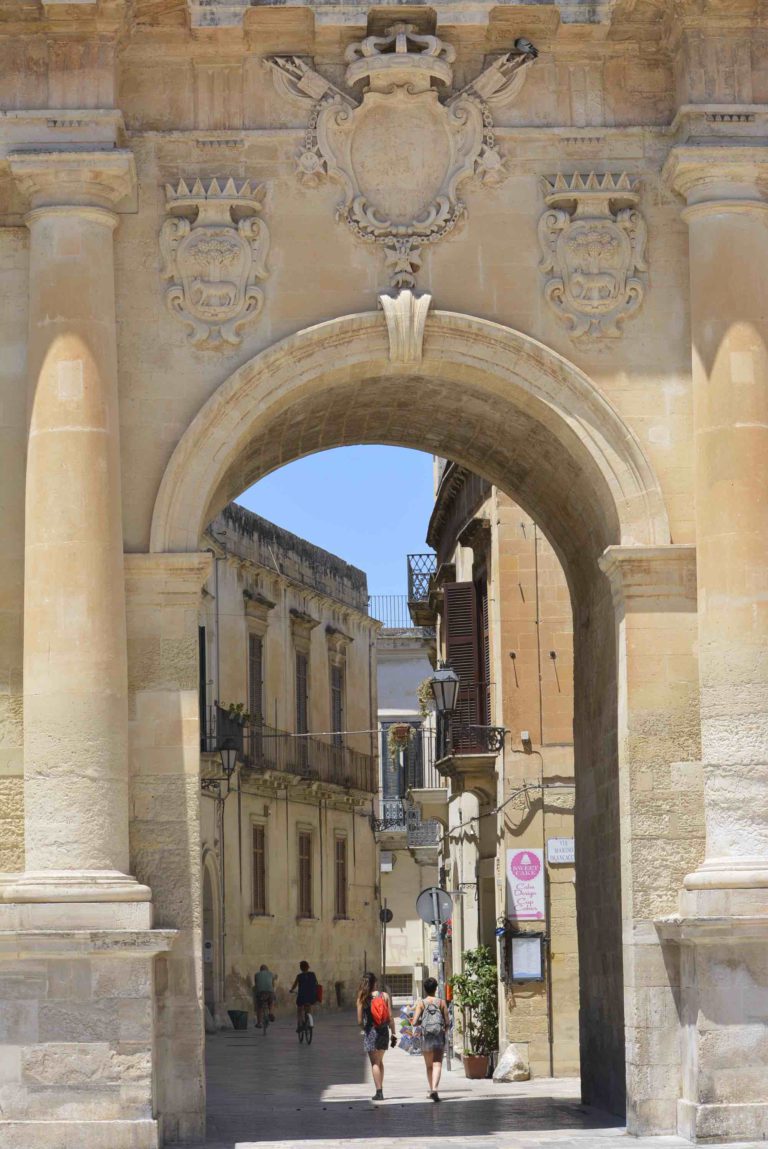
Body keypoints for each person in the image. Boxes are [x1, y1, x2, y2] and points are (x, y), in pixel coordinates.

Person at [356, 971, 397, 1102]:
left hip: (371, 1031)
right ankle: (380, 1087)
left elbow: (359, 1020)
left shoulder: (362, 997)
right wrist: (394, 1032)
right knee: (380, 1061)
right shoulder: (384, 995)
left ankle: (379, 1092)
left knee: (374, 1063)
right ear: (375, 983)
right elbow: (390, 1017)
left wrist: (364, 1028)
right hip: (383, 1031)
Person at [412, 977, 450, 1101]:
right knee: (437, 1063)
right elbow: (447, 1022)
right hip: (439, 1035)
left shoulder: (421, 1003)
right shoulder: (441, 1002)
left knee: (429, 1066)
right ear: (436, 988)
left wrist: (421, 1024)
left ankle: (431, 1090)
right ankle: (434, 1089)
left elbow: (414, 1022)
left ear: (425, 989)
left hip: (426, 1036)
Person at [290, 960, 318, 1032]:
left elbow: (294, 985)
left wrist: (291, 990)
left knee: (299, 1010)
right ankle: (309, 1018)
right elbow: (316, 983)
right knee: (309, 1006)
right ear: (308, 967)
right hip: (312, 996)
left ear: (301, 968)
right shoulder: (313, 974)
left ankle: (300, 1025)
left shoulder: (299, 976)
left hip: (302, 996)